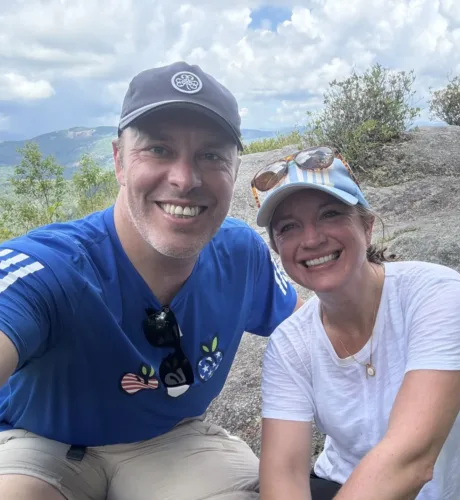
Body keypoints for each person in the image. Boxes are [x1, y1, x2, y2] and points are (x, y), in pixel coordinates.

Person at [0, 61, 302, 500]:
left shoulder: (241, 254)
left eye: (211, 155)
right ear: (119, 161)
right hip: (39, 443)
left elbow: (314, 335)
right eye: (158, 149)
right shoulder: (51, 267)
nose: (185, 178)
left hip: (173, 440)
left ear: (234, 168)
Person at [251, 146, 460, 499]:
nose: (311, 239)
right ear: (278, 248)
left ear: (367, 227)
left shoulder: (436, 295)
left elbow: (410, 461)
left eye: (330, 214)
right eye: (289, 227)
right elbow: (285, 475)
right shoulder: (289, 344)